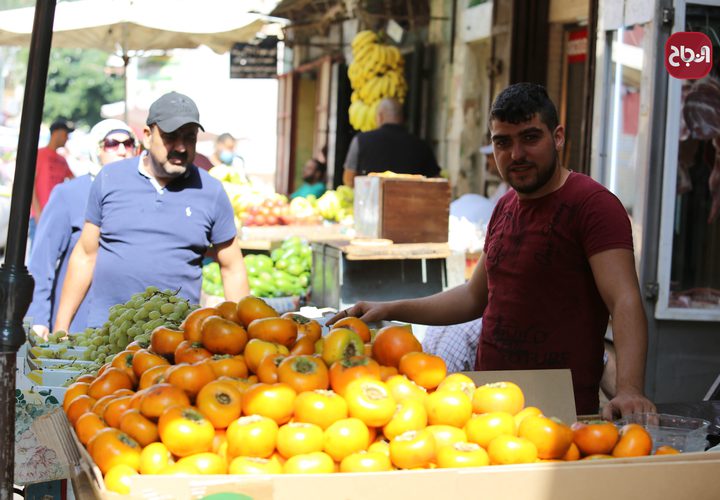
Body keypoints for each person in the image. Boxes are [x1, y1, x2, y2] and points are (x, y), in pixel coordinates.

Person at [331, 83, 656, 419]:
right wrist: (390, 308)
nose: (516, 154)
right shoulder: (505, 206)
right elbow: (475, 297)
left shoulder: (592, 204)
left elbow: (625, 299)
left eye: (530, 138)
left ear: (558, 137)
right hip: (488, 403)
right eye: (503, 142)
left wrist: (630, 389)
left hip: (559, 412)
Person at [53, 92, 249, 330]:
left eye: (189, 138)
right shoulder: (109, 178)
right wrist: (61, 328)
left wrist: (241, 333)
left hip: (177, 340)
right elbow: (85, 255)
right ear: (147, 136)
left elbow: (232, 268)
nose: (180, 146)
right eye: (170, 137)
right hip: (106, 335)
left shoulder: (211, 191)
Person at [27, 119, 138, 336]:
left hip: (128, 325)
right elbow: (42, 262)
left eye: (129, 143)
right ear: (96, 149)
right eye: (112, 143)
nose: (123, 151)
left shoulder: (143, 197)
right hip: (77, 322)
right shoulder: (68, 194)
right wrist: (39, 317)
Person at [342, 98, 440, 187]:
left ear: (380, 116)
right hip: (411, 203)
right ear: (403, 118)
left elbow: (349, 180)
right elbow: (437, 182)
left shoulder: (360, 140)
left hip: (371, 204)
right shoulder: (422, 145)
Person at [31, 118, 75, 225]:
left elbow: (74, 181)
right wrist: (37, 212)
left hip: (56, 215)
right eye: (65, 135)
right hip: (40, 214)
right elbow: (30, 185)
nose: (67, 139)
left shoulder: (62, 160)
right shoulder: (39, 154)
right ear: (56, 133)